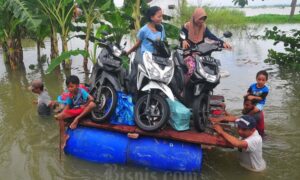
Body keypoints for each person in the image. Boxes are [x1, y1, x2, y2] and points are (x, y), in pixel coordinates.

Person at [180, 7, 231, 83]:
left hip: (201, 53)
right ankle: (183, 86)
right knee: (191, 68)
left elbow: (211, 36)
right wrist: (183, 40)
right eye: (200, 19)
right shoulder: (187, 26)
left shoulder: (203, 27)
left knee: (211, 68)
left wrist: (222, 43)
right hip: (188, 53)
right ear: (195, 17)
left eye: (203, 19)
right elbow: (181, 35)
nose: (202, 21)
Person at [55, 75, 96, 149]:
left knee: (92, 104)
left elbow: (91, 99)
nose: (69, 89)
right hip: (75, 110)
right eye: (68, 87)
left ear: (77, 86)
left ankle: (77, 119)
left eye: (71, 86)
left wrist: (85, 105)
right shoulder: (70, 94)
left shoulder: (82, 91)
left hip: (83, 109)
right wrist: (62, 114)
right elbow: (68, 105)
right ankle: (64, 136)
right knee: (59, 116)